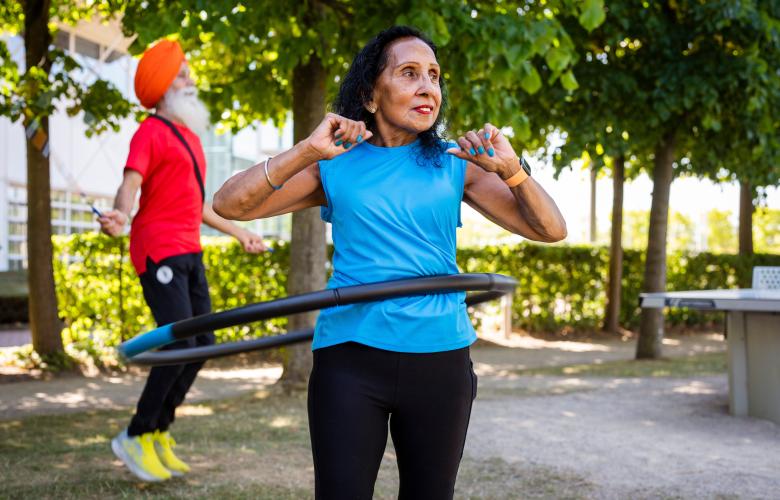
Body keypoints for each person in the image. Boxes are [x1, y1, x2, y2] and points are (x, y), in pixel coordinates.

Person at [213, 26, 566, 499]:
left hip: (440, 355)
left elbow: (551, 229)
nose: (428, 87)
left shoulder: (456, 162)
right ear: (370, 95)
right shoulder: (334, 161)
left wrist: (515, 172)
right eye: (409, 73)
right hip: (351, 356)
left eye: (434, 76)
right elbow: (229, 205)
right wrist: (307, 151)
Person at [98, 39, 268, 482]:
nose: (190, 79)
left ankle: (158, 431)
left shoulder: (190, 138)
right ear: (163, 87)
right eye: (181, 74)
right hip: (158, 250)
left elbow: (197, 205)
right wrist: (121, 214)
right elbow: (130, 184)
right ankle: (135, 434)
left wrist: (240, 232)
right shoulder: (149, 132)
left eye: (188, 71)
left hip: (189, 249)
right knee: (178, 346)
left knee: (201, 345)